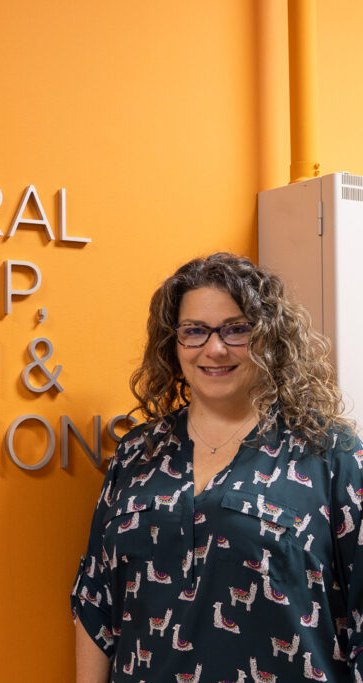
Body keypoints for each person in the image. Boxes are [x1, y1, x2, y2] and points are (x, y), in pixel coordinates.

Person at [72, 253, 362, 682]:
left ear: (270, 338)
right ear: (173, 343)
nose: (215, 348)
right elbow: (95, 602)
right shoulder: (138, 453)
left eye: (237, 328)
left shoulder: (330, 454)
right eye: (194, 331)